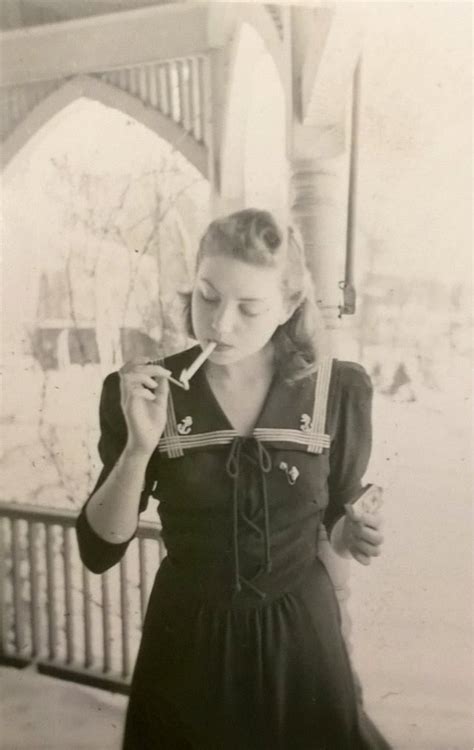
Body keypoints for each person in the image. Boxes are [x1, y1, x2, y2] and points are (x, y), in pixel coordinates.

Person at [76, 209, 389, 750]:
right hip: (188, 644)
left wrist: (348, 530)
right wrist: (138, 448)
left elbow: (338, 505)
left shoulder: (335, 390)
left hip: (302, 643)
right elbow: (98, 550)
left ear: (289, 306)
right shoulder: (148, 391)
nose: (220, 324)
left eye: (249, 308)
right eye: (207, 296)